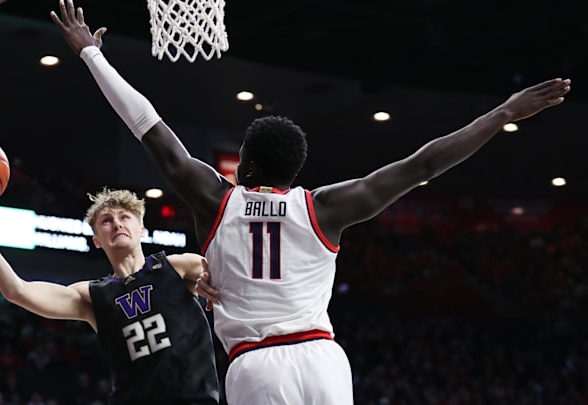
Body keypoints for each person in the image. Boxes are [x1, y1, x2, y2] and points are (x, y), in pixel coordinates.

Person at [50, 2, 571, 403]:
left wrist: (91, 54)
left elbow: (148, 127)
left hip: (256, 365)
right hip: (324, 359)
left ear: (245, 163)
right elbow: (425, 164)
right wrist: (503, 111)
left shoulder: (216, 198)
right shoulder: (326, 207)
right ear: (294, 168)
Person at [0, 181, 220, 405]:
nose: (118, 223)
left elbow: (233, 274)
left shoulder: (178, 266)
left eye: (125, 217)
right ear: (97, 240)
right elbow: (17, 291)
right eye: (107, 220)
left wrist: (211, 280)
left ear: (141, 228)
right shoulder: (92, 296)